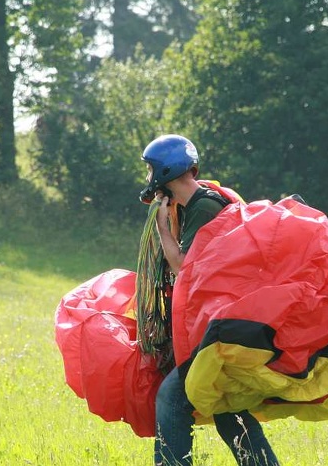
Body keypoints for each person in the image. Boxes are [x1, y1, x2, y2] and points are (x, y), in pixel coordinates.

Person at [140, 134, 280, 466]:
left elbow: (186, 270)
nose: (148, 179)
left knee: (172, 398)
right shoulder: (197, 205)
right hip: (227, 325)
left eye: (150, 170)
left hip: (225, 328)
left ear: (165, 171)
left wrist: (162, 229)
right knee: (227, 409)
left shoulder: (204, 207)